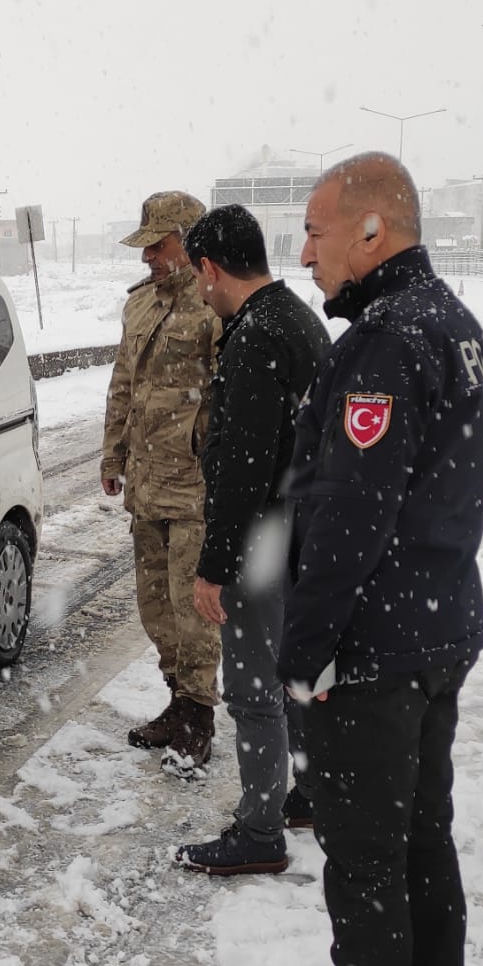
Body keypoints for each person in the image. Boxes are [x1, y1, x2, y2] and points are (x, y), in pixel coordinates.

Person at [271, 153, 483, 966]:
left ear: (373, 232)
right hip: (437, 624)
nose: (305, 250)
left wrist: (304, 649)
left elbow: (350, 516)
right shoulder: (457, 330)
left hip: (376, 642)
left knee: (366, 852)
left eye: (318, 231)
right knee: (421, 836)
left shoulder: (383, 342)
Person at [172, 203, 330, 874]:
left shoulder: (255, 334)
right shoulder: (296, 318)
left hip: (265, 536)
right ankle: (310, 793)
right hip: (303, 529)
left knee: (250, 687)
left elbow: (242, 463)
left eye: (195, 275)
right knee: (293, 675)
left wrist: (215, 567)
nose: (198, 290)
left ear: (210, 269)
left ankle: (259, 832)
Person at [101, 189, 222, 768]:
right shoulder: (140, 305)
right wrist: (111, 455)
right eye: (145, 246)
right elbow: (123, 384)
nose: (147, 257)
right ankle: (177, 698)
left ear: (190, 242)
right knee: (155, 606)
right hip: (147, 483)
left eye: (158, 244)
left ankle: (200, 713)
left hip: (195, 487)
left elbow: (230, 401)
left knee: (192, 606)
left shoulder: (215, 306)